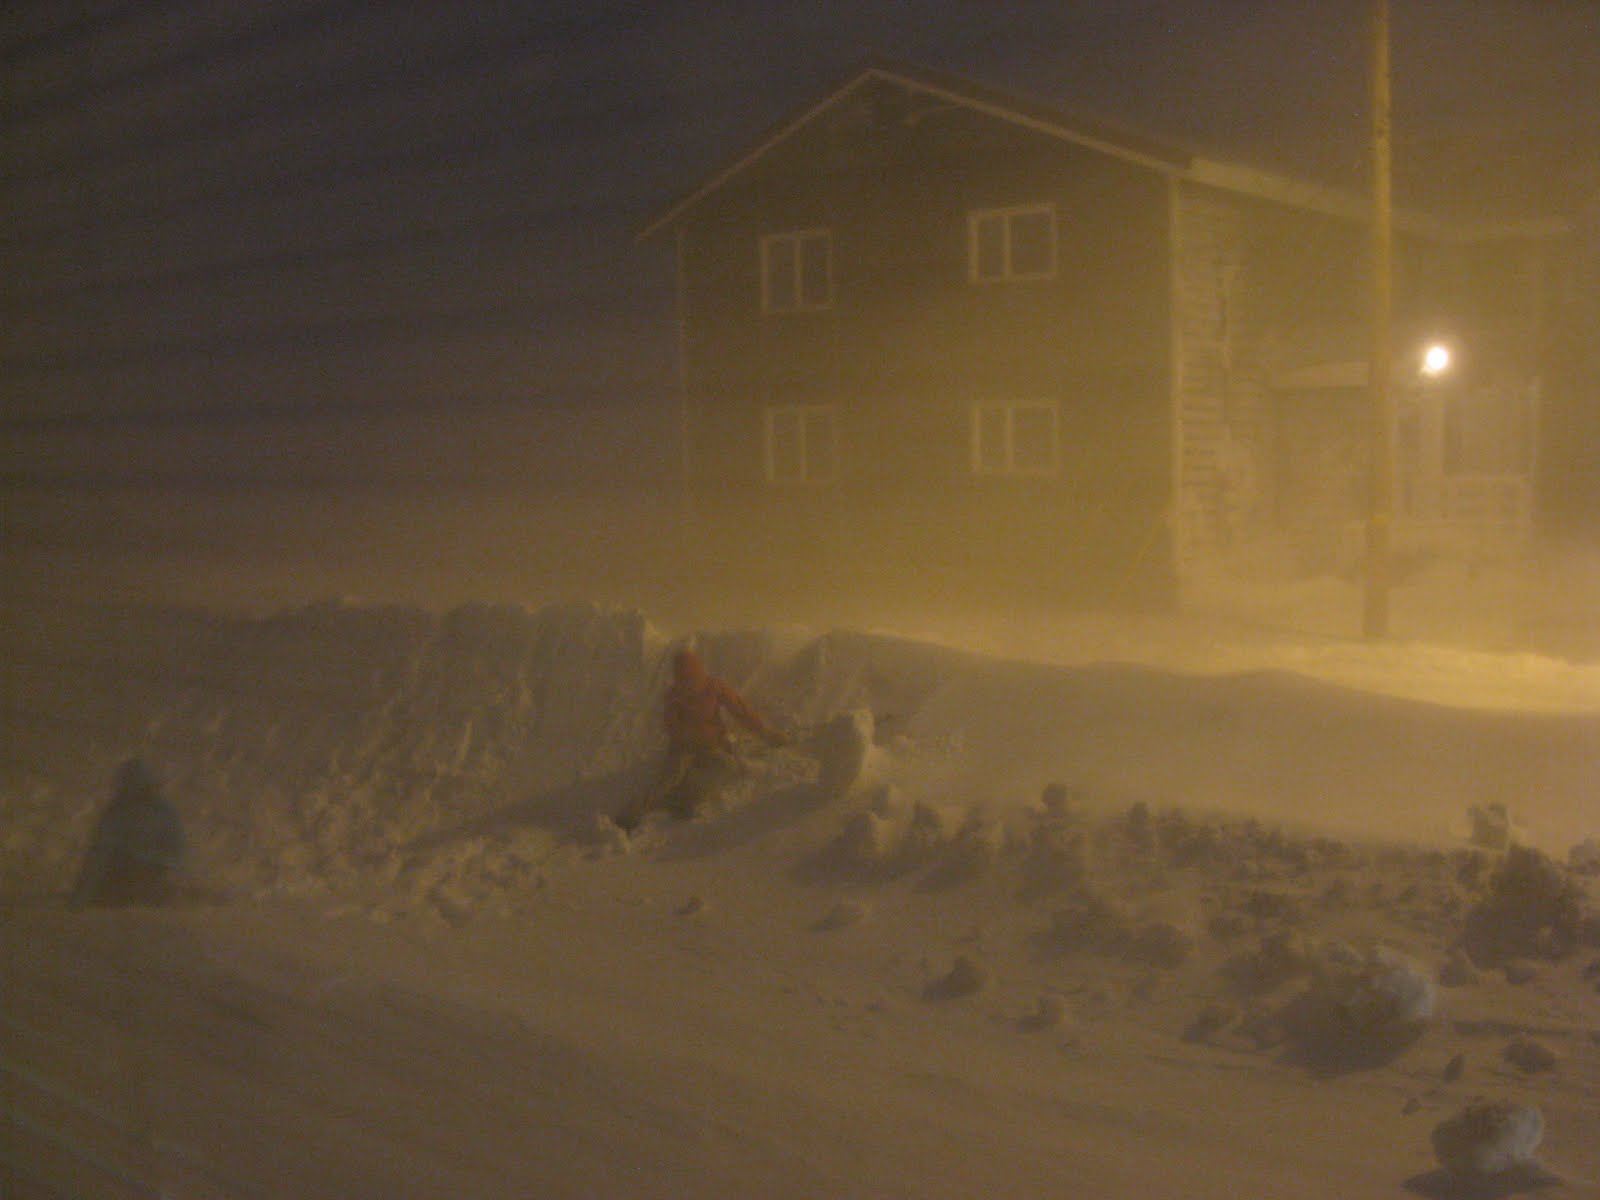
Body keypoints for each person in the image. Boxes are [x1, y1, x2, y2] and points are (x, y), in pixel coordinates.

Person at [616, 647, 785, 831]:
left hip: (711, 746)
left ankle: (686, 801)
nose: (688, 683)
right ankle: (631, 816)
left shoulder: (714, 687)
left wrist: (766, 733)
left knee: (726, 766)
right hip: (683, 748)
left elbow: (741, 711)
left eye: (691, 676)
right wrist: (687, 739)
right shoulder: (673, 695)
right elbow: (671, 726)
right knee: (669, 778)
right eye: (683, 678)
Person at [70, 758, 188, 907]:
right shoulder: (117, 812)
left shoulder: (160, 811)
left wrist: (80, 897)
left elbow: (98, 855)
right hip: (132, 878)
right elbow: (99, 854)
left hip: (151, 876)